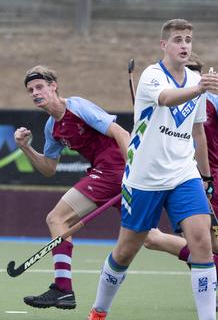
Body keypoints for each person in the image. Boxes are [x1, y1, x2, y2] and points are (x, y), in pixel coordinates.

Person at [87, 19, 218, 320]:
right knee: (125, 252)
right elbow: (166, 99)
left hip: (183, 174)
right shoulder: (151, 75)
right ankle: (98, 311)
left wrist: (206, 176)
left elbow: (198, 132)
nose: (185, 45)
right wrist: (200, 88)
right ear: (164, 45)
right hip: (145, 178)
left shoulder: (196, 79)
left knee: (201, 243)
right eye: (178, 40)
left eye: (188, 39)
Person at [14, 65, 131, 310]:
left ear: (53, 86)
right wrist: (25, 147)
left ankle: (63, 289)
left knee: (56, 218)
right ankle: (205, 260)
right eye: (30, 90)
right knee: (150, 237)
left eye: (40, 87)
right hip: (109, 174)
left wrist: (133, 169)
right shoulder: (52, 128)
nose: (35, 93)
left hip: (113, 169)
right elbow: (49, 169)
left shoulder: (76, 106)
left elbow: (120, 132)